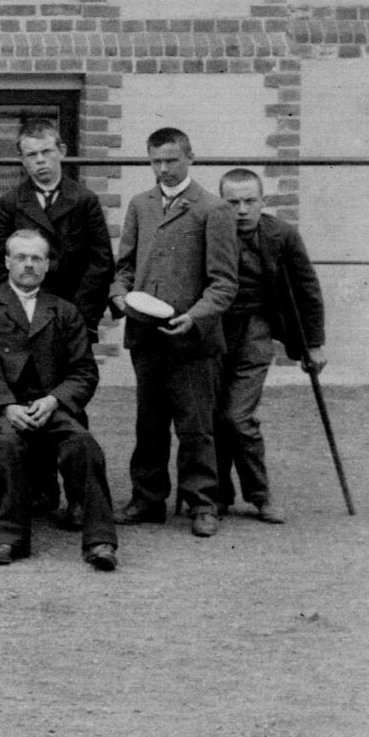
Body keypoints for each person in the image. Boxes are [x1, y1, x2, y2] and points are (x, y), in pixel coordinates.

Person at [110, 126, 239, 537]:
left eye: (171, 160)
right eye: (155, 161)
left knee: (195, 423)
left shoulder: (213, 209)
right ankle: (147, 499)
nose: (163, 169)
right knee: (148, 422)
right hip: (145, 336)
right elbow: (125, 267)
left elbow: (224, 283)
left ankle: (202, 502)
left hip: (192, 339)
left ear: (189, 158)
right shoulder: (140, 205)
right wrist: (119, 296)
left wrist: (195, 317)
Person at [0, 228, 118, 569]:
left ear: (48, 265)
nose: (28, 265)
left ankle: (99, 542)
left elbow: (84, 371)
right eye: (20, 257)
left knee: (83, 444)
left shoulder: (64, 310)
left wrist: (54, 401)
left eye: (37, 258)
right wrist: (6, 405)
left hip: (49, 405)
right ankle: (10, 539)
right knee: (9, 443)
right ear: (7, 262)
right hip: (3, 406)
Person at [215, 168, 325, 524]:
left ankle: (260, 496)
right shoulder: (210, 231)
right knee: (215, 416)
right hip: (214, 330)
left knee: (237, 416)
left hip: (256, 329)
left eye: (250, 201)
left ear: (263, 201)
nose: (242, 210)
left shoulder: (282, 235)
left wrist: (314, 344)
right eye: (233, 202)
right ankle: (218, 494)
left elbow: (307, 289)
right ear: (222, 203)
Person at [0, 121, 113, 331]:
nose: (41, 160)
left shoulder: (85, 200)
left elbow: (101, 262)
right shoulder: (11, 202)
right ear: (22, 160)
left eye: (46, 152)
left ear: (61, 151)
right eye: (32, 155)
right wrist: (8, 311)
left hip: (71, 309)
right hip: (22, 311)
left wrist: (81, 315)